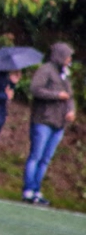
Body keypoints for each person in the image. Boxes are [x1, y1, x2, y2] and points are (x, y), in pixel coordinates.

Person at [22, 42, 75, 205]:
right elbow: (35, 89)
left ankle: (36, 190)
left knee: (45, 159)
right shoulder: (45, 70)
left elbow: (70, 96)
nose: (69, 60)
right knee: (36, 156)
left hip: (59, 124)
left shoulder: (64, 74)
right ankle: (28, 190)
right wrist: (56, 95)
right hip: (43, 120)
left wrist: (71, 110)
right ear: (60, 55)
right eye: (68, 56)